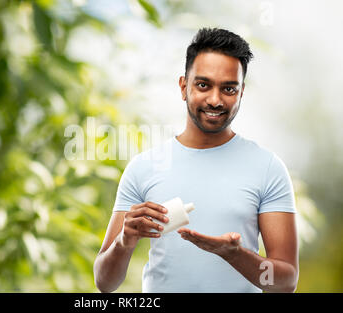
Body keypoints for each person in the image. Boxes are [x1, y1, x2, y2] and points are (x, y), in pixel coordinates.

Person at [93, 28, 299, 293]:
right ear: (183, 86)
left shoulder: (268, 168)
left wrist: (233, 254)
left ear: (241, 93)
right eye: (203, 85)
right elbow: (104, 283)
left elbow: (285, 282)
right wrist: (125, 240)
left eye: (228, 89)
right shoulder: (143, 167)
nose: (215, 100)